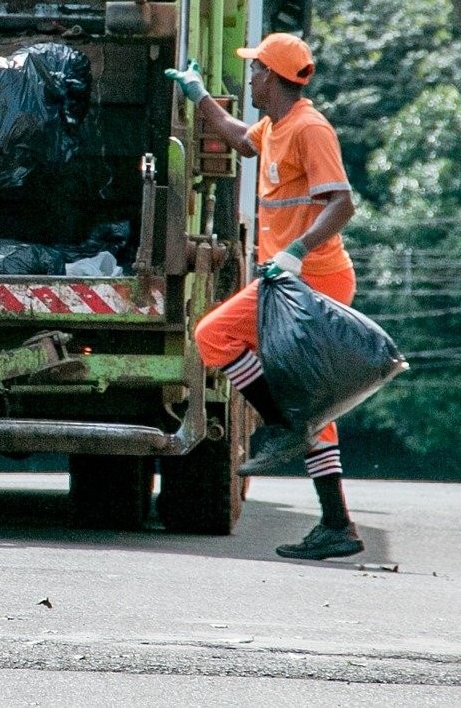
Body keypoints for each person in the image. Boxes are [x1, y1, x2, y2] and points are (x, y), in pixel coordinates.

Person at [167, 32, 363, 561]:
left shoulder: (310, 128)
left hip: (310, 280)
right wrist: (199, 96)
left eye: (255, 71)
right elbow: (239, 138)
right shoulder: (276, 126)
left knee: (213, 334)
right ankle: (335, 522)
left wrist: (296, 251)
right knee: (313, 407)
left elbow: (342, 204)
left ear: (273, 78)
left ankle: (281, 429)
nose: (250, 77)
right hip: (290, 280)